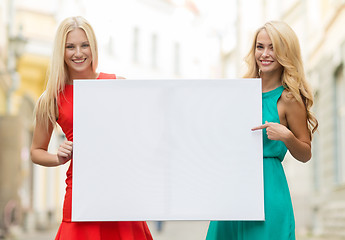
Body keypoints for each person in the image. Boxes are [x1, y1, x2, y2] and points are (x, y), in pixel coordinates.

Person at [30, 16, 153, 240]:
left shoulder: (117, 84)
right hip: (80, 193)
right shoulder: (50, 99)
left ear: (93, 46)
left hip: (121, 189)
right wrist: (58, 157)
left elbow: (141, 134)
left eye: (84, 45)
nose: (78, 53)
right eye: (70, 46)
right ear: (61, 50)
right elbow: (36, 151)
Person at [206, 21, 318, 240]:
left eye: (273, 47)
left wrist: (286, 136)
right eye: (260, 47)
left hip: (269, 189)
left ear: (286, 52)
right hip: (233, 184)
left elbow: (305, 153)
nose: (265, 54)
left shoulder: (289, 98)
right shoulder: (240, 91)